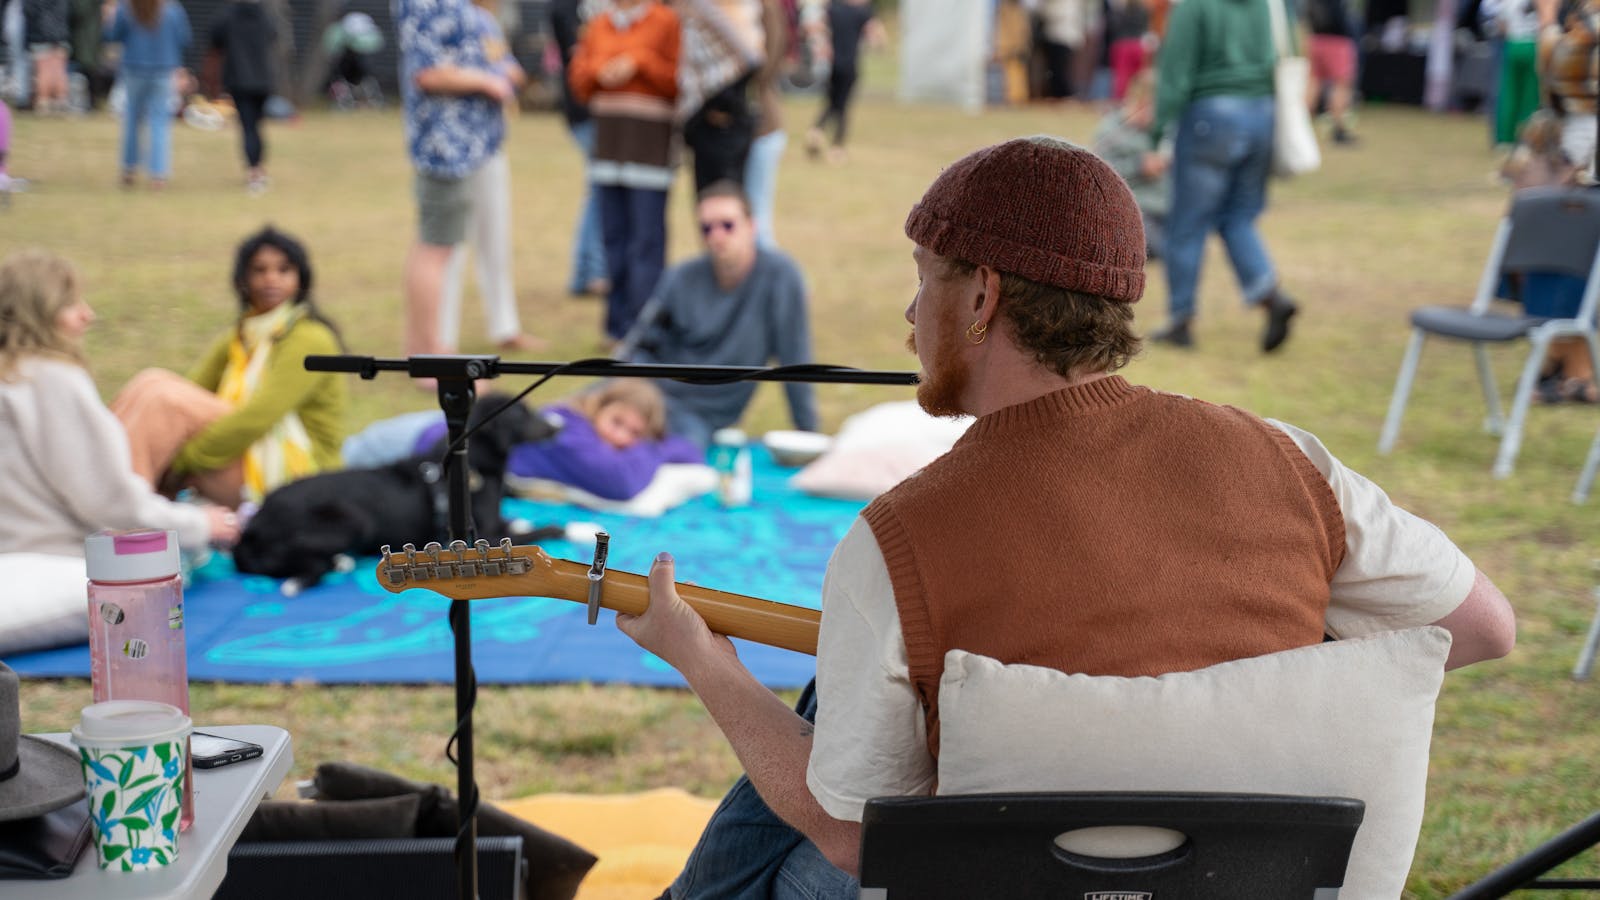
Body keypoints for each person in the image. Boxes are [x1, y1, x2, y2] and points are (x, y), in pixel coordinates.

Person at [614, 137, 1516, 899]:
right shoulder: (1289, 460)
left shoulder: (899, 540)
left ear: (981, 300)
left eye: (924, 278)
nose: (907, 311)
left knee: (787, 840)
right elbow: (1483, 626)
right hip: (1256, 877)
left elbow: (856, 838)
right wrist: (1251, 679)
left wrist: (703, 658)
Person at [0, 249, 239, 657]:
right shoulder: (53, 380)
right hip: (51, 562)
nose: (87, 315)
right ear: (39, 313)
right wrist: (200, 524)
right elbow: (111, 503)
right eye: (71, 304)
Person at [111, 226, 348, 508]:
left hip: (300, 477)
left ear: (301, 279)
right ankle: (110, 492)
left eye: (283, 270)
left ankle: (125, 516)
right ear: (243, 280)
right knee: (151, 383)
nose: (271, 279)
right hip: (244, 454)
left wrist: (183, 462)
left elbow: (258, 417)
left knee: (163, 399)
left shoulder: (310, 337)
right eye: (259, 270)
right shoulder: (242, 336)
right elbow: (192, 390)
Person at [621, 180, 819, 449]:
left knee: (673, 459)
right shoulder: (681, 277)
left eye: (727, 225)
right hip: (644, 394)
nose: (716, 235)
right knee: (563, 421)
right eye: (706, 228)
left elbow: (796, 363)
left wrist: (810, 438)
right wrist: (618, 395)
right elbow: (638, 346)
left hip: (700, 416)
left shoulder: (781, 277)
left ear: (751, 226)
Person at [1150, 0, 1299, 351]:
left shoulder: (1194, 6)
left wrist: (1158, 134)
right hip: (1262, 114)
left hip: (1209, 117)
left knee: (1187, 224)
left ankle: (1180, 320)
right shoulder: (1271, 4)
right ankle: (1269, 295)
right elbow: (1287, 51)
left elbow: (1175, 69)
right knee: (1239, 216)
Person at [396, 0, 513, 359]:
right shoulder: (429, 4)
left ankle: (425, 348)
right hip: (446, 149)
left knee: (435, 247)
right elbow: (427, 72)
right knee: (436, 249)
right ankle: (431, 353)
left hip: (465, 147)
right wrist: (486, 80)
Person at [567, 0, 680, 344]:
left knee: (646, 241)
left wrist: (639, 63)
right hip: (608, 149)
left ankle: (645, 328)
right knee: (612, 239)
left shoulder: (666, 22)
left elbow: (677, 80)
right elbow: (579, 80)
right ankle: (616, 326)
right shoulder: (600, 24)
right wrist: (605, 70)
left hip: (649, 149)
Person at [439, 0, 542, 353]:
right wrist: (486, 79)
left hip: (490, 143)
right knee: (449, 244)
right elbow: (434, 72)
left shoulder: (486, 22)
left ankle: (505, 326)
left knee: (496, 236)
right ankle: (442, 337)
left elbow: (510, 68)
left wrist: (505, 75)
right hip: (454, 148)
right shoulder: (445, 16)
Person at [548, 0, 609, 298]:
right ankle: (592, 272)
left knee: (599, 187)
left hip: (593, 110)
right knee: (602, 188)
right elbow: (583, 55)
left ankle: (586, 272)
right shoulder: (566, 8)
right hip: (588, 110)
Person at [677, 0, 765, 192]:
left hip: (723, 119)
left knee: (723, 196)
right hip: (704, 119)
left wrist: (721, 106)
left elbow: (751, 57)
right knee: (706, 195)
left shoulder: (707, 9)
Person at [105, 0, 190, 189]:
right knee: (159, 122)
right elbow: (184, 38)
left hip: (133, 68)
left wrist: (108, 19)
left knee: (132, 119)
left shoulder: (126, 7)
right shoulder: (173, 9)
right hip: (162, 69)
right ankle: (158, 175)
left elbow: (112, 36)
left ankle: (129, 170)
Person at [1092, 67, 1169, 259]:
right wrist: (1138, 166)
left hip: (1167, 207)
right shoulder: (1113, 131)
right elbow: (1099, 173)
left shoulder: (1167, 130)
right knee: (1152, 243)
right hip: (1135, 211)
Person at [208, 0, 277, 193]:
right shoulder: (264, 16)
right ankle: (259, 168)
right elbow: (274, 36)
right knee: (257, 125)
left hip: (239, 80)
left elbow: (214, 39)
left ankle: (253, 171)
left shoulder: (227, 16)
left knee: (247, 127)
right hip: (263, 80)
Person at [805, 0, 879, 163]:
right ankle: (837, 148)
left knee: (832, 101)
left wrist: (822, 44)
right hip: (850, 65)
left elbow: (814, 27)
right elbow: (875, 34)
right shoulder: (863, 12)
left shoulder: (833, 8)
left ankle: (816, 130)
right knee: (843, 106)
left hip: (833, 64)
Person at [1538, 0, 1598, 181]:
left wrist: (1547, 21)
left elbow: (1554, 65)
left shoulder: (1589, 25)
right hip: (1582, 117)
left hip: (1584, 119)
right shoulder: (1583, 21)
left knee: (1576, 182)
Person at [1304, 0, 1359, 144]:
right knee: (1341, 86)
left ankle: (1301, 126)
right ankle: (1339, 131)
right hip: (1337, 41)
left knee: (1313, 83)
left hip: (1315, 39)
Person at [23, 0, 69, 113]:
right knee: (59, 70)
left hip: (41, 34)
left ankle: (43, 102)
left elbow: (28, 10)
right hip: (61, 33)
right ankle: (60, 101)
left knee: (43, 70)